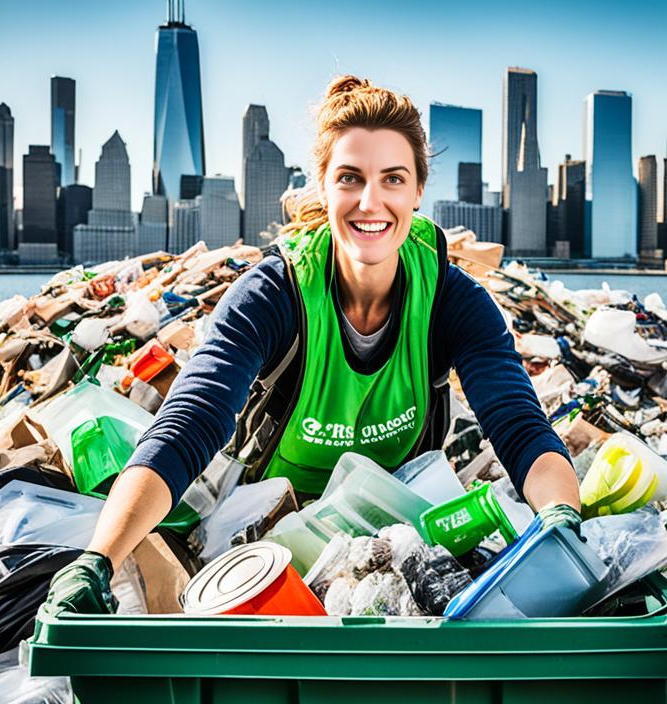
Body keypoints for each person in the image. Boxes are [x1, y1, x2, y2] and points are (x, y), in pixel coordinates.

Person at [43, 75, 581, 615]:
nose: (371, 202)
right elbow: (189, 425)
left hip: (398, 540)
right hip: (273, 547)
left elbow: (518, 427)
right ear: (323, 186)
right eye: (350, 178)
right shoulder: (274, 294)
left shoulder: (450, 299)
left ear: (418, 191)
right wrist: (99, 558)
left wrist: (561, 516)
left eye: (393, 179)